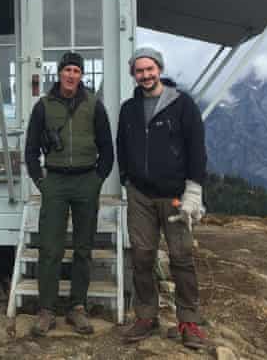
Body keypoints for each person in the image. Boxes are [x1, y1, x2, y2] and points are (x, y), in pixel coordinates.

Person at [116, 47, 208, 349]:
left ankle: (189, 322)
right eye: (139, 71)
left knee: (181, 258)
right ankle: (146, 317)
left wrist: (194, 191)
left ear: (159, 69)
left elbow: (197, 149)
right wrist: (125, 180)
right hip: (140, 194)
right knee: (142, 257)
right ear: (134, 74)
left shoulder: (183, 105)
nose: (145, 75)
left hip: (176, 196)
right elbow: (122, 146)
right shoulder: (129, 109)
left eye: (149, 69)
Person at [24, 51, 114, 336]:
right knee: (50, 248)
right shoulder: (43, 107)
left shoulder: (95, 107)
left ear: (81, 75)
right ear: (59, 73)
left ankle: (78, 308)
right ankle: (47, 310)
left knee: (83, 248)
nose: (71, 75)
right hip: (56, 183)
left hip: (86, 180)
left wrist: (97, 180)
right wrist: (41, 181)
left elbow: (107, 149)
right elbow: (30, 150)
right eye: (67, 70)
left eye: (76, 70)